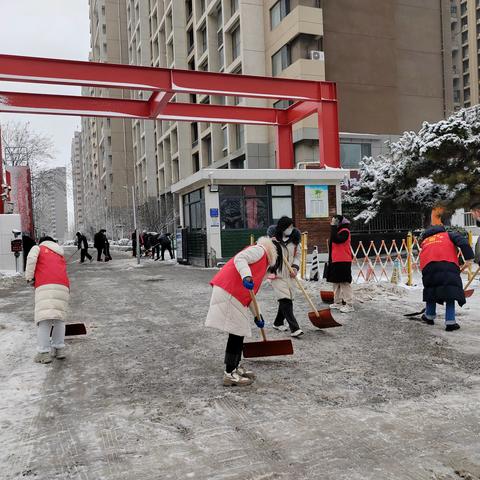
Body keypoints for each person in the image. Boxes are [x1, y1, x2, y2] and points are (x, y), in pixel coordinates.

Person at [206, 236, 278, 386]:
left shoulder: (262, 266)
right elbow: (240, 258)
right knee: (237, 330)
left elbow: (250, 296)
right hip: (229, 290)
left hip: (235, 293)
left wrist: (258, 316)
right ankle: (229, 373)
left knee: (239, 331)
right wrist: (246, 275)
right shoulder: (260, 250)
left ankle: (235, 367)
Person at [419, 210, 474, 331]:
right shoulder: (448, 235)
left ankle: (429, 316)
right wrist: (469, 258)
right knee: (450, 292)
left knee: (431, 291)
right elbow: (463, 242)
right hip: (448, 265)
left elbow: (422, 257)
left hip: (428, 268)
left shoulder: (425, 241)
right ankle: (450, 322)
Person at [25, 236, 70, 364]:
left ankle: (43, 353)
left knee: (44, 320)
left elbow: (31, 259)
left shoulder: (38, 248)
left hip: (45, 285)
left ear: (42, 241)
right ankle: (59, 349)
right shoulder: (59, 253)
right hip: (63, 286)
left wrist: (29, 278)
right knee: (59, 319)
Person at [266, 216, 304, 337]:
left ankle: (278, 322)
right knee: (285, 299)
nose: (290, 229)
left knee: (288, 298)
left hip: (290, 275)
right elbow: (267, 256)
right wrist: (272, 245)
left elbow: (298, 256)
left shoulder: (296, 241)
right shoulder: (273, 240)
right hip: (277, 274)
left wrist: (295, 268)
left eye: (292, 226)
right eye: (288, 226)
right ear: (282, 228)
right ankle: (295, 328)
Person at [325, 215, 354, 313]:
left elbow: (337, 240)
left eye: (334, 221)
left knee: (344, 282)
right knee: (336, 282)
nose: (332, 223)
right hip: (336, 260)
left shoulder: (345, 231)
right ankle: (337, 302)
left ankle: (349, 304)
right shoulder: (337, 231)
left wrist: (333, 227)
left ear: (338, 222)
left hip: (343, 260)